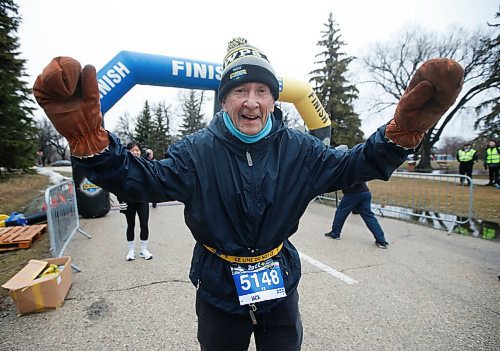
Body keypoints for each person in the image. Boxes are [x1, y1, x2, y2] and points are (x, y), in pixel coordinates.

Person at [33, 37, 463, 350]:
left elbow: (353, 165)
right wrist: (94, 147)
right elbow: (142, 180)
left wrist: (401, 135)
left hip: (279, 282)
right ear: (224, 101)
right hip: (218, 286)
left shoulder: (301, 149)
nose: (252, 101)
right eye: (240, 91)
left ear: (275, 99)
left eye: (262, 91)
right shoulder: (195, 151)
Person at [324, 182, 389, 248]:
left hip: (352, 194)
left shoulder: (345, 171)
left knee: (340, 213)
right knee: (369, 217)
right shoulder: (357, 171)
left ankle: (335, 233)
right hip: (365, 192)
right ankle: (381, 241)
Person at [117, 142, 153, 261]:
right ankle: (131, 250)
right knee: (130, 225)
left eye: (137, 150)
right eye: (133, 150)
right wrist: (120, 199)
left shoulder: (144, 163)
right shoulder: (123, 165)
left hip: (142, 199)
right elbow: (117, 184)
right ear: (128, 152)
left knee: (144, 224)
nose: (136, 152)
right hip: (128, 201)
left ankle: (144, 250)